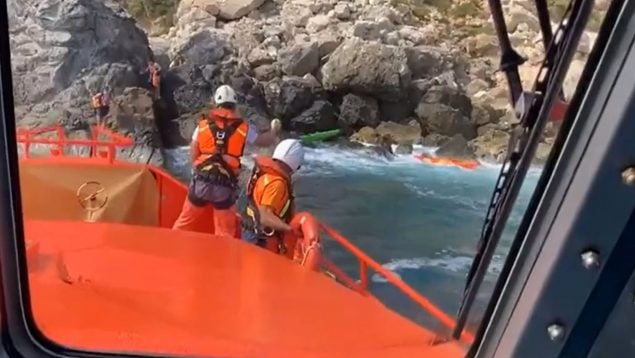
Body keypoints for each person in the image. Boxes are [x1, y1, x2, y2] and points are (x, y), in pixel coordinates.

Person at [172, 85, 281, 237]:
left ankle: (170, 250)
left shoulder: (202, 125)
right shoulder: (244, 128)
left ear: (216, 103)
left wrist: (196, 170)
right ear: (235, 105)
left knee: (183, 223)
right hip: (224, 185)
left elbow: (194, 150)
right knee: (225, 234)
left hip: (201, 181)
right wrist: (274, 131)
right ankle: (220, 259)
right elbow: (263, 141)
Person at [240, 138, 304, 254]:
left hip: (249, 230)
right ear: (296, 165)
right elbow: (265, 217)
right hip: (259, 239)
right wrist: (290, 229)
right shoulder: (277, 184)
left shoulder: (264, 174)